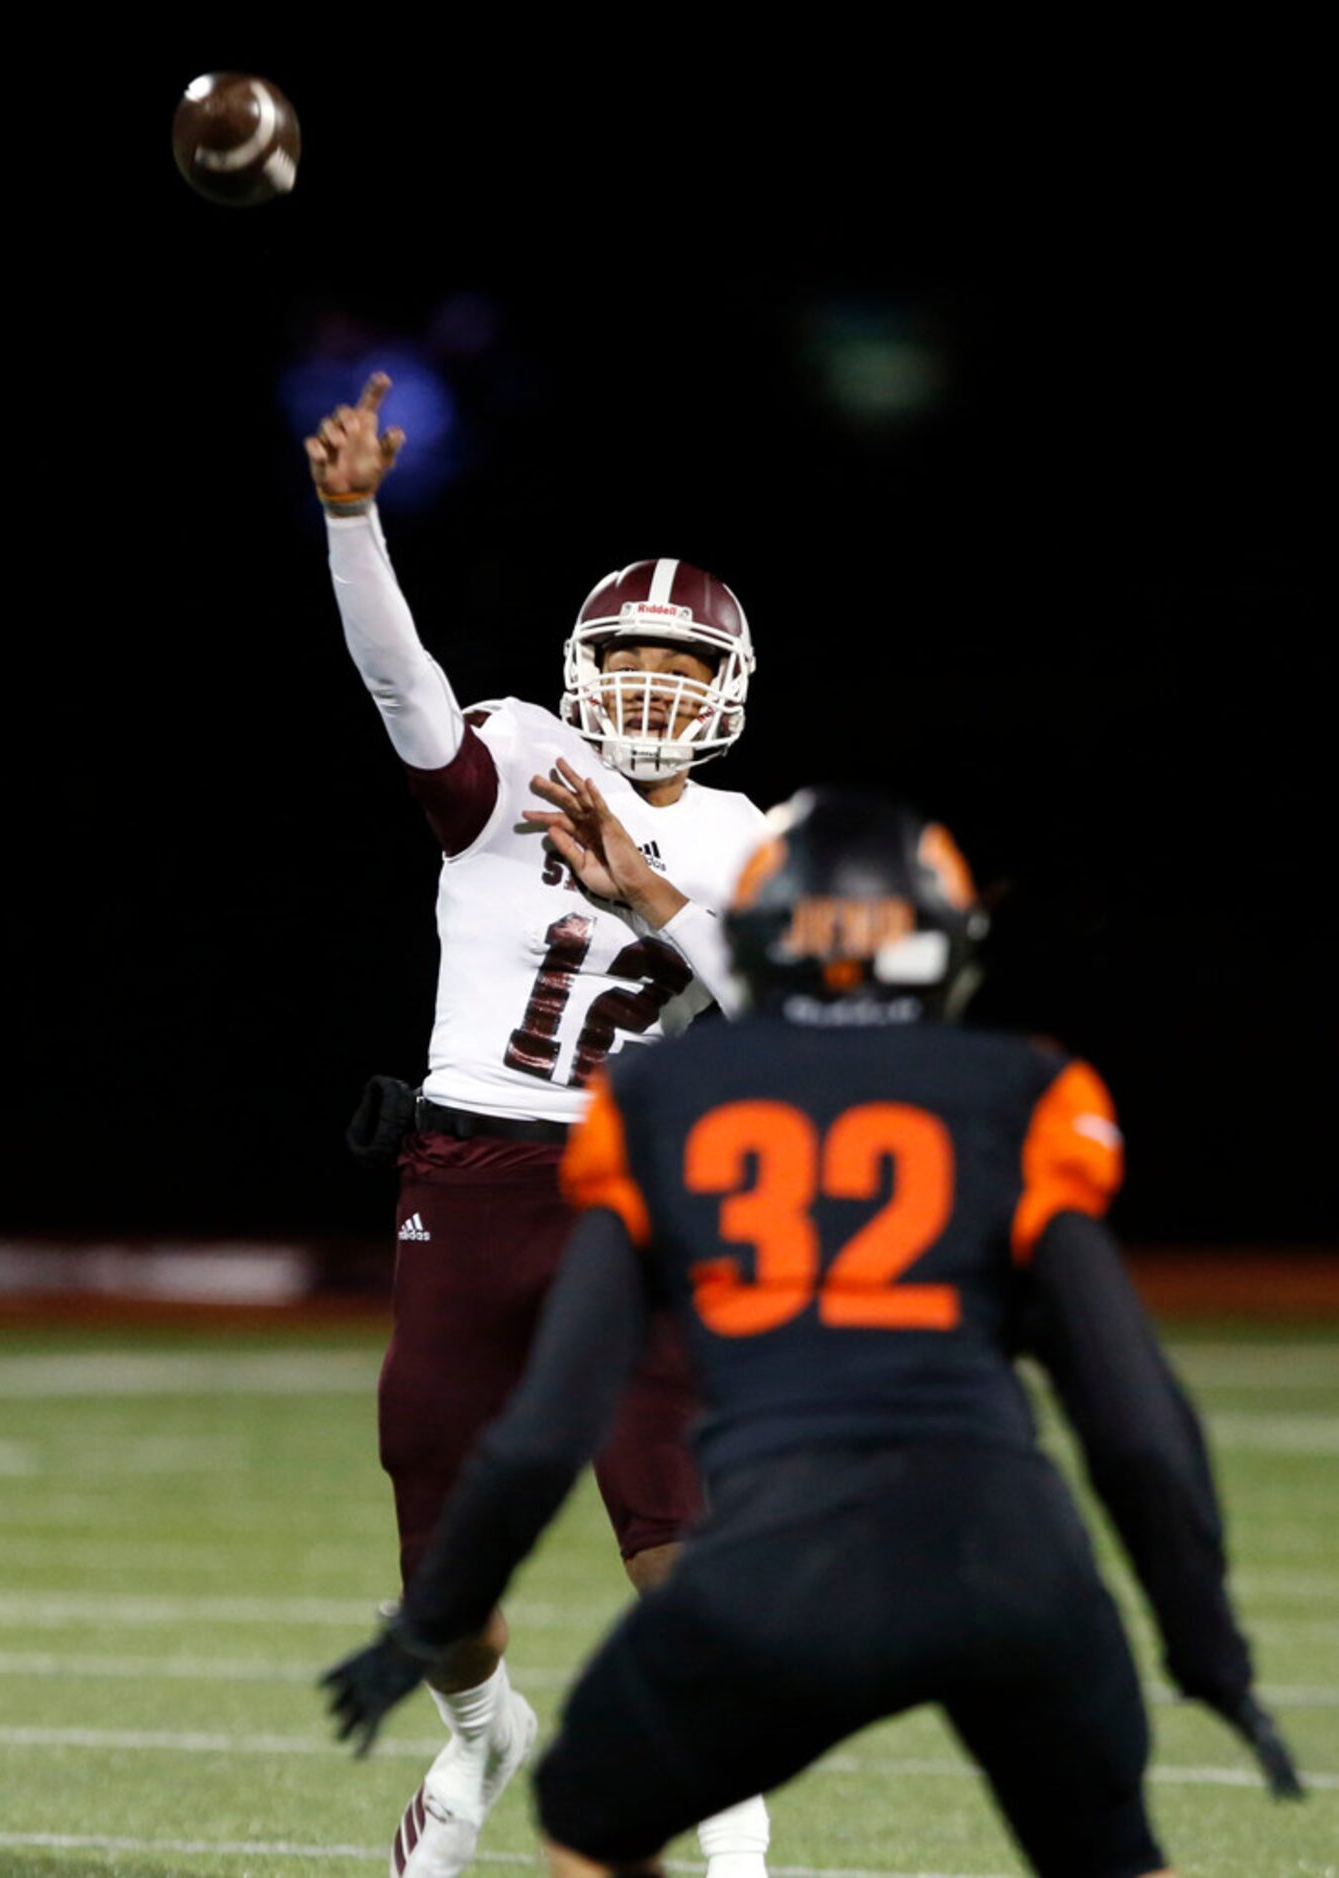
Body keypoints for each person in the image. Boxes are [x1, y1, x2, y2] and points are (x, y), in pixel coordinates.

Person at [321, 789, 1304, 1877]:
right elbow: (1134, 1419)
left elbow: (549, 1425)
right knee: (1111, 1852)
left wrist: (438, 1614)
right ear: (946, 942)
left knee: (590, 1824)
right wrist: (1209, 1651)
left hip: (783, 1562)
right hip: (1010, 1559)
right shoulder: (1023, 1092)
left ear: (752, 934)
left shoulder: (661, 1103)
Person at [304, 375, 772, 1878]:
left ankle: (739, 1847)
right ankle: (484, 1727)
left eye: (675, 663)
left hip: (629, 1191)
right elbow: (399, 692)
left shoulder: (741, 834)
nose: (646, 685)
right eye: (626, 657)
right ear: (580, 665)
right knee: (437, 1550)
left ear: (726, 685)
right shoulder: (508, 751)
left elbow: (787, 1015)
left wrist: (652, 888)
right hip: (467, 1165)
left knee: (668, 1522)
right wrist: (353, 520)